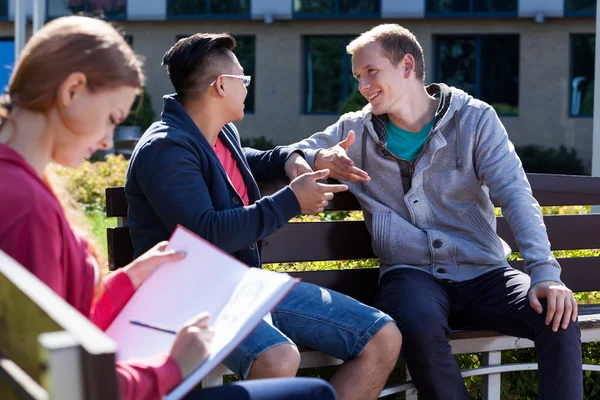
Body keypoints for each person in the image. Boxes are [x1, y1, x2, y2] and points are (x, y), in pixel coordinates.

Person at [0, 16, 337, 400]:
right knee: (312, 394)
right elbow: (63, 380)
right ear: (73, 90)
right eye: (112, 119)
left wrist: (128, 280)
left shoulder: (21, 184)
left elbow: (60, 324)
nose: (109, 139)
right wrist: (172, 368)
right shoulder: (26, 204)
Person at [291, 24, 583, 400]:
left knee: (557, 316)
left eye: (371, 72)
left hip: (485, 272)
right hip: (411, 276)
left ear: (407, 65)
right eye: (358, 76)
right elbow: (291, 153)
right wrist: (318, 156)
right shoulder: (354, 131)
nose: (363, 85)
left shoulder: (474, 119)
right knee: (416, 324)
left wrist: (545, 273)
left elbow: (514, 194)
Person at [125, 33, 402, 400]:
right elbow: (207, 233)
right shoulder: (165, 149)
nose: (247, 87)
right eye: (243, 79)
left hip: (244, 287)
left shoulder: (220, 133)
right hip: (189, 296)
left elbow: (257, 159)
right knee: (277, 359)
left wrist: (304, 157)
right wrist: (291, 201)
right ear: (221, 86)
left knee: (382, 337)